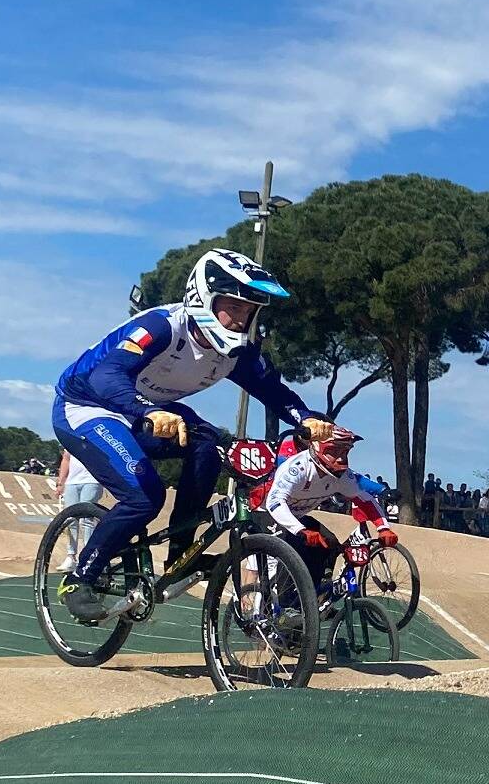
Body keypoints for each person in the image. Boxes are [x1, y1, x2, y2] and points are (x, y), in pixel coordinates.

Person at [52, 249, 334, 621]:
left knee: (209, 444)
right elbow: (105, 376)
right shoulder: (163, 327)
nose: (240, 319)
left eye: (248, 311)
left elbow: (275, 393)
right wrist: (149, 410)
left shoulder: (237, 353)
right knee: (144, 497)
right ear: (204, 297)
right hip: (88, 406)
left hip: (150, 410)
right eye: (233, 307)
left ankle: (181, 552)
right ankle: (79, 578)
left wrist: (306, 419)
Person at [259, 427, 397, 596]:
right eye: (334, 451)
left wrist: (383, 527)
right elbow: (275, 502)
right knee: (293, 545)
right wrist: (301, 530)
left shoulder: (343, 476)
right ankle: (285, 603)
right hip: (266, 512)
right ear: (317, 448)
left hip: (295, 516)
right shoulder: (298, 468)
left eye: (345, 452)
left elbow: (364, 499)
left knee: (329, 543)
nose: (341, 458)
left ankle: (314, 596)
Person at [53, 450, 102, 573]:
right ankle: (70, 556)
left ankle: (87, 556)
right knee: (70, 519)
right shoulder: (70, 437)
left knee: (86, 519)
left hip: (92, 480)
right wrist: (60, 482)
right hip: (72, 482)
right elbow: (66, 459)